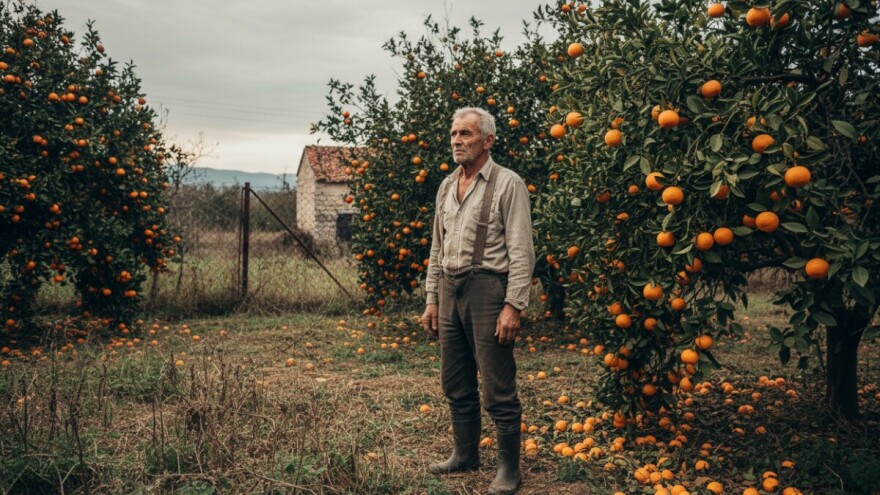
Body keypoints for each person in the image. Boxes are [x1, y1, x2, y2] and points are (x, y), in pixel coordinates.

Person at [421, 107, 535, 495]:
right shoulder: (446, 186)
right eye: (453, 133)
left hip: (488, 290)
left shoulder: (508, 184)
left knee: (498, 386)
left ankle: (508, 470)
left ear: (487, 140)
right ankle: (465, 454)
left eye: (466, 134)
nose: (456, 140)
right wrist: (432, 298)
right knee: (455, 381)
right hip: (451, 289)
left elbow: (522, 251)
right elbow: (438, 246)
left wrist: (513, 305)